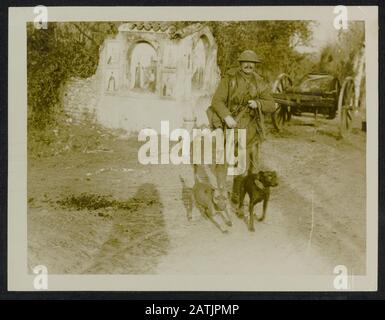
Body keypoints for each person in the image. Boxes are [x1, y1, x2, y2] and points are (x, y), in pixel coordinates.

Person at [207, 50, 275, 205]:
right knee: (223, 161)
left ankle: (237, 195)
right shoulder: (229, 79)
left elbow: (271, 105)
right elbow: (217, 100)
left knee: (246, 166)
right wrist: (226, 116)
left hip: (251, 127)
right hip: (231, 125)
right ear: (240, 63)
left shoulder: (260, 82)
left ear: (255, 65)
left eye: (252, 63)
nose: (249, 65)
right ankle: (221, 193)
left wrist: (258, 103)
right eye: (245, 62)